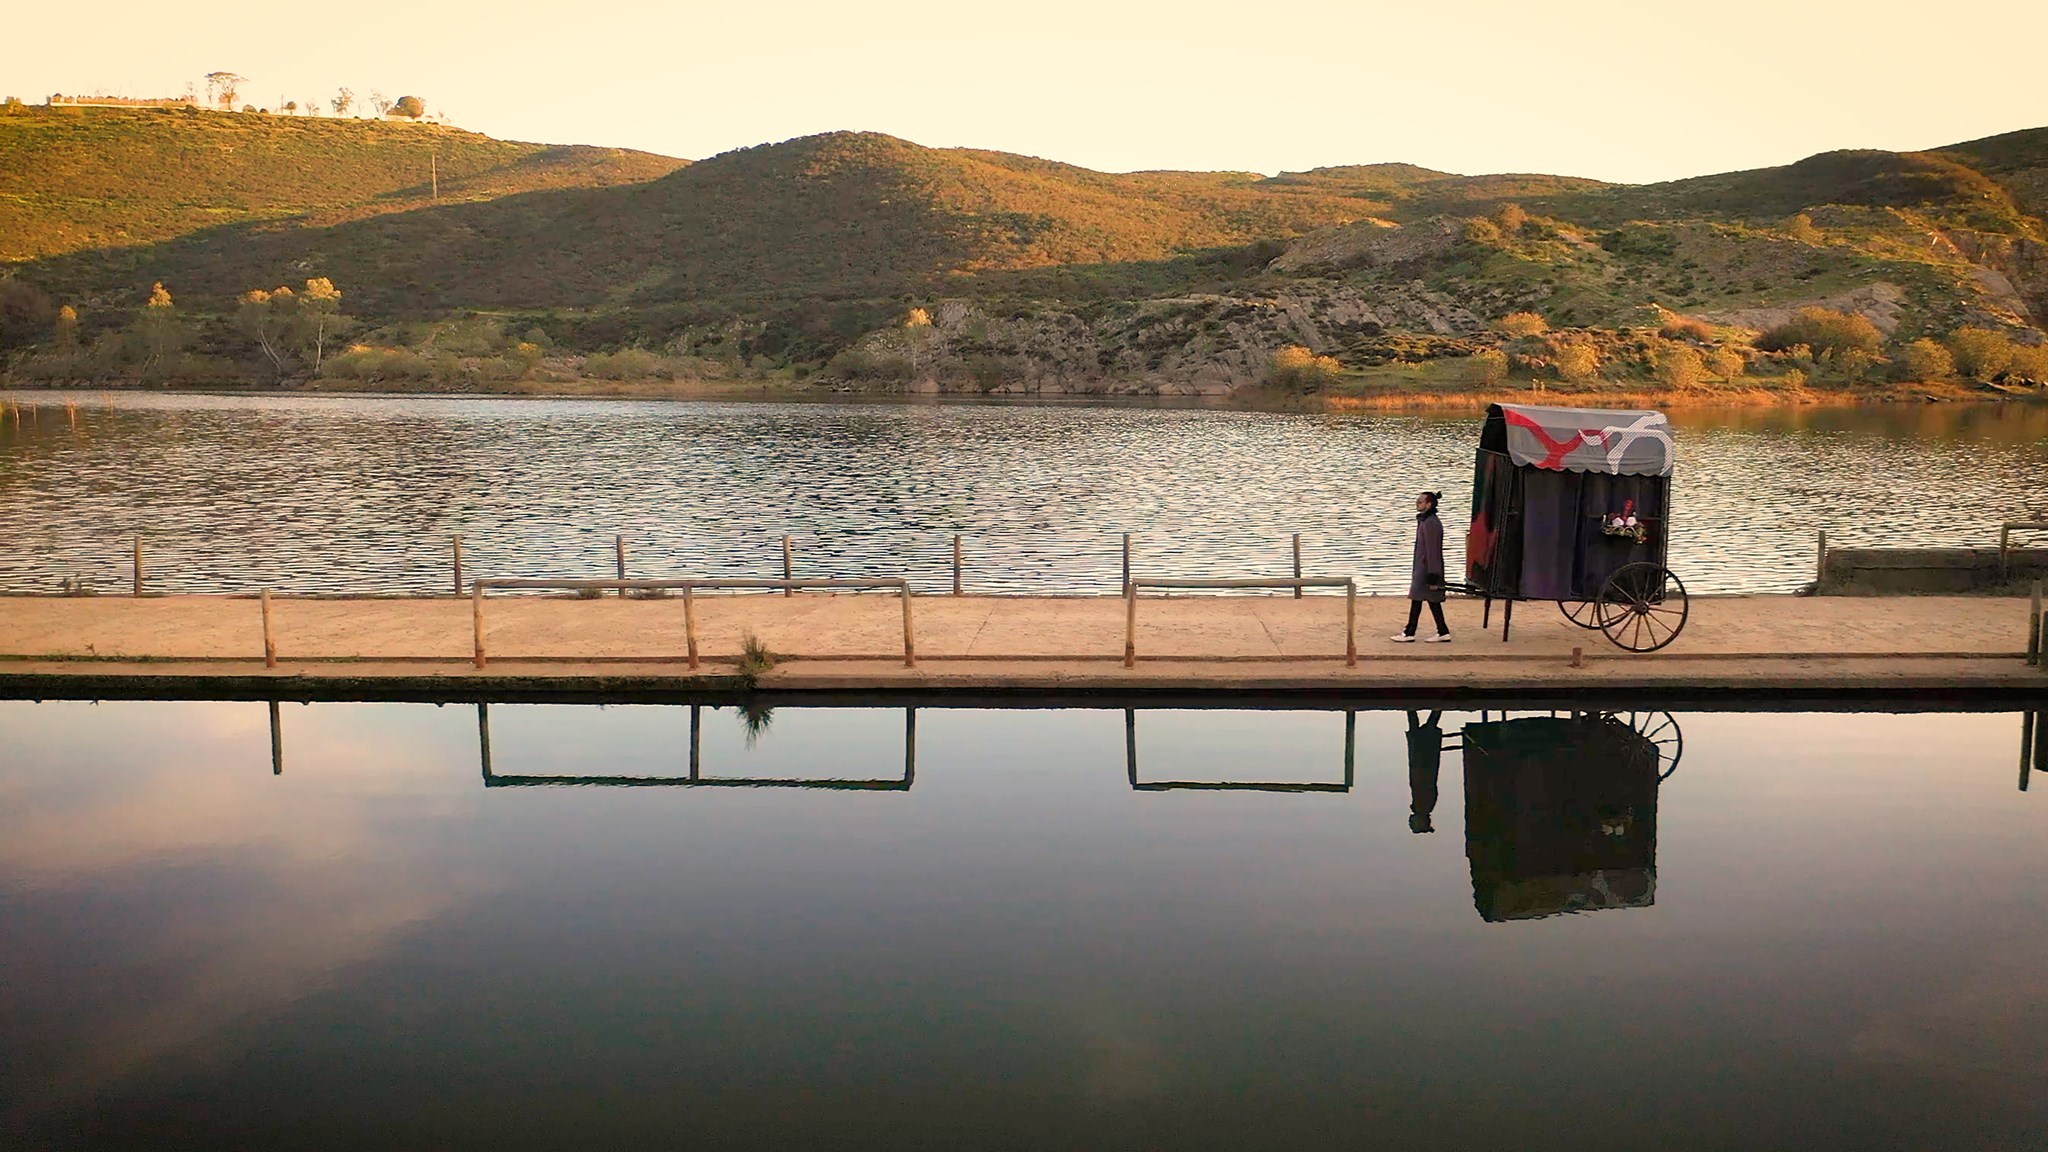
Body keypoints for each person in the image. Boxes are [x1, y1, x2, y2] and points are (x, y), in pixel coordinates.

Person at [1394, 490, 1451, 642]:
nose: (1417, 504)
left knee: (1418, 598)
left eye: (1420, 501)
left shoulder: (1431, 523)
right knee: (1430, 600)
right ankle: (1443, 631)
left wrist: (1433, 576)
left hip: (1426, 569)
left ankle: (1409, 632)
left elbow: (1433, 551)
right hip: (1423, 567)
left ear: (1429, 504)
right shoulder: (1426, 521)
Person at [1405, 710, 1443, 833]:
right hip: (1423, 764)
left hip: (1422, 764)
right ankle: (1412, 706)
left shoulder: (1423, 806)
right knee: (1422, 731)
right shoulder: (1424, 806)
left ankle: (1412, 707)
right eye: (1413, 824)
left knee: (1420, 730)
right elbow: (1425, 783)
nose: (1410, 822)